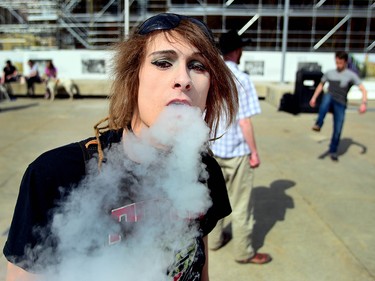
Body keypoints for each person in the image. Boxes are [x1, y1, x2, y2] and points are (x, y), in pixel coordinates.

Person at [3, 13, 239, 281]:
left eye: (198, 66)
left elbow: (198, 268)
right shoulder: (55, 175)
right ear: (132, 77)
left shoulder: (204, 171)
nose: (183, 79)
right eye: (163, 62)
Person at [208, 30, 272, 264]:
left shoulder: (211, 76)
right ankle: (244, 252)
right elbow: (245, 121)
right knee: (241, 204)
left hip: (213, 151)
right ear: (237, 51)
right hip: (236, 152)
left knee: (214, 200)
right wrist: (254, 152)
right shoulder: (242, 79)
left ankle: (213, 241)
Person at [309, 51, 368, 161]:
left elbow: (363, 90)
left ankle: (333, 150)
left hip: (340, 104)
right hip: (329, 99)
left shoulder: (351, 75)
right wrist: (314, 98)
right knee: (327, 96)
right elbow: (321, 85)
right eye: (336, 63)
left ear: (345, 62)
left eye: (340, 63)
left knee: (338, 128)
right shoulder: (330, 73)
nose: (338, 65)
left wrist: (363, 104)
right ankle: (318, 123)